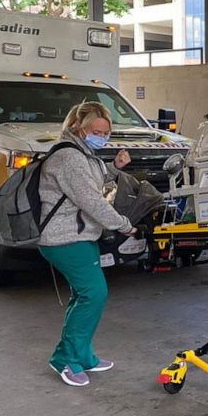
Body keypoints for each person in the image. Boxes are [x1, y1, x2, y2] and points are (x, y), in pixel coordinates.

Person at [38, 101, 135, 387]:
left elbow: (98, 182)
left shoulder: (85, 154)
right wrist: (124, 225)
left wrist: (115, 168)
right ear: (79, 127)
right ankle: (65, 360)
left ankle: (83, 356)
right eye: (96, 130)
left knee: (82, 295)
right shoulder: (70, 158)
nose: (102, 136)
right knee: (94, 294)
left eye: (106, 132)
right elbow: (91, 201)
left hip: (80, 235)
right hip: (65, 238)